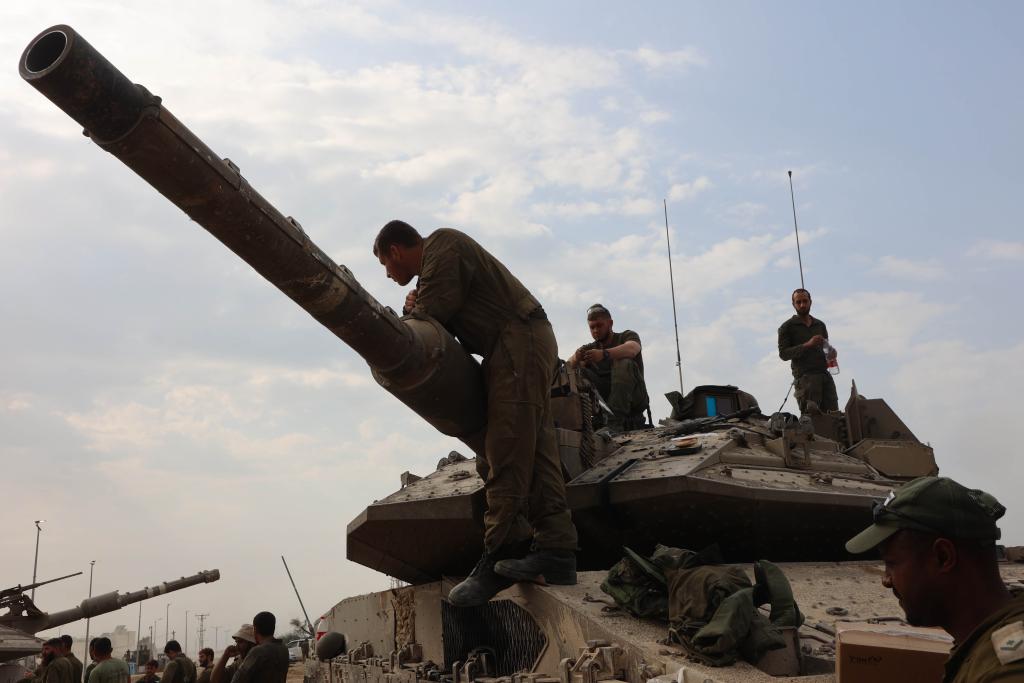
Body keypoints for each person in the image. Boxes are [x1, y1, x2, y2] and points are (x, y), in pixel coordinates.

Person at [373, 220, 578, 605]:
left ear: (395, 251)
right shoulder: (437, 264)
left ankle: (501, 551)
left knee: (504, 447)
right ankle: (557, 552)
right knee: (536, 452)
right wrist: (417, 306)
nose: (387, 273)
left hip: (517, 341)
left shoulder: (443, 245)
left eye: (385, 263)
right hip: (514, 344)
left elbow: (432, 315)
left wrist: (415, 310)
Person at [845, 476, 1024, 682]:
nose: (886, 580)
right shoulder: (981, 636)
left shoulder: (1007, 671)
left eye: (892, 563)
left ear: (943, 557)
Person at [567, 303, 649, 432]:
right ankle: (585, 421)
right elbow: (566, 369)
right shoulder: (590, 348)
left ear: (610, 323)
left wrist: (604, 354)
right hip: (605, 403)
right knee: (578, 373)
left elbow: (632, 349)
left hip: (635, 399)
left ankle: (614, 423)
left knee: (623, 363)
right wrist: (576, 358)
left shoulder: (626, 336)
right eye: (592, 327)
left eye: (599, 325)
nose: (595, 330)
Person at [777, 288, 838, 413]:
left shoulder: (820, 325)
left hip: (824, 375)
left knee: (834, 417)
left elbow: (826, 348)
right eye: (798, 302)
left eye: (805, 301)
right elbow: (783, 354)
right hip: (805, 379)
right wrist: (807, 345)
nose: (802, 305)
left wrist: (831, 352)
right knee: (811, 418)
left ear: (810, 302)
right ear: (793, 304)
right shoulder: (787, 327)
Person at [229, 612, 288, 683]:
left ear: (255, 629)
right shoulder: (283, 648)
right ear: (273, 628)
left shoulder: (258, 651)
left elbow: (237, 680)